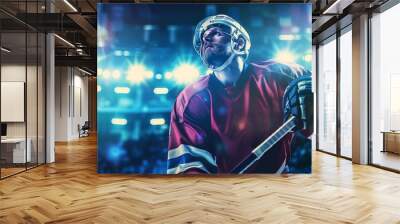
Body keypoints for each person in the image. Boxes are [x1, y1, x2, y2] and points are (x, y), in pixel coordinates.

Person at [167, 14, 312, 174]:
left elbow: (325, 98)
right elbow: (188, 169)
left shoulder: (283, 75)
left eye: (216, 33)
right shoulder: (190, 99)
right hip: (226, 191)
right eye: (203, 40)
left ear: (239, 42)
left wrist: (314, 104)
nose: (206, 40)